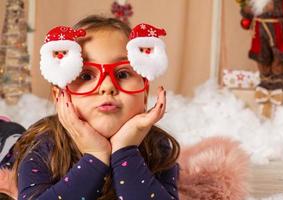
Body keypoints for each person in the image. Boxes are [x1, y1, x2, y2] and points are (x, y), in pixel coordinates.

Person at [2, 16, 180, 200]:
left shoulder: (159, 147)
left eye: (123, 73)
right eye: (86, 76)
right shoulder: (44, 146)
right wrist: (95, 156)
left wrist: (125, 152)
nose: (107, 86)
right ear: (60, 96)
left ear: (144, 93)